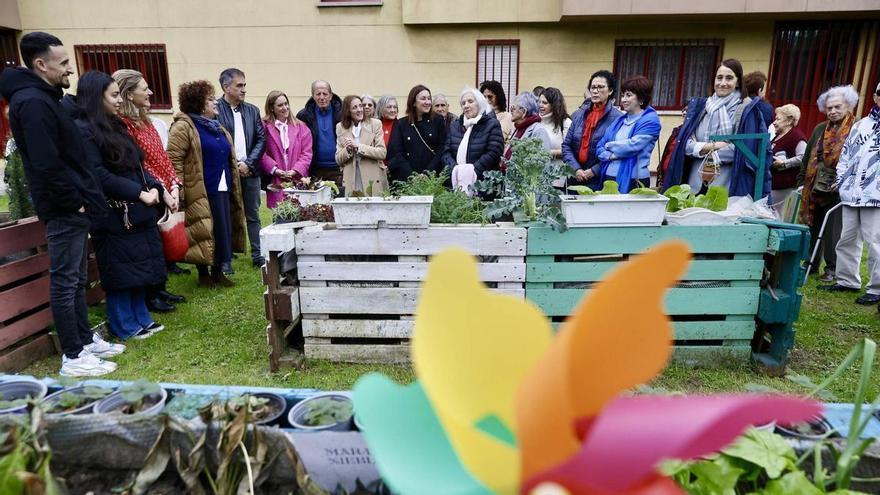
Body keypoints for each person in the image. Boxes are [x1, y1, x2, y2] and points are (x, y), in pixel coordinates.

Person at [0, 32, 122, 376]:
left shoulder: (46, 97)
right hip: (64, 207)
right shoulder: (32, 103)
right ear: (41, 64)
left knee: (78, 276)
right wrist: (76, 202)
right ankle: (73, 355)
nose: (70, 69)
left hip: (72, 204)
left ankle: (84, 340)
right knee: (66, 279)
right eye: (64, 63)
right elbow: (46, 163)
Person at [68, 71, 168, 341]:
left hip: (136, 211)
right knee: (120, 269)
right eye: (113, 95)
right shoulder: (84, 131)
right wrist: (138, 192)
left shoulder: (117, 125)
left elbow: (138, 163)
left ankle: (140, 316)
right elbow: (98, 174)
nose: (118, 100)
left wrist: (157, 187)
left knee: (139, 266)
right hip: (112, 212)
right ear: (95, 98)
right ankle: (122, 322)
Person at [112, 69, 187, 311]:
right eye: (144, 88)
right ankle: (150, 294)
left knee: (158, 244)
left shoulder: (146, 121)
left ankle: (160, 288)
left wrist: (174, 186)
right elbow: (141, 163)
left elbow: (162, 158)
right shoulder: (123, 125)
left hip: (163, 189)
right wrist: (162, 190)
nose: (150, 92)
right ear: (128, 93)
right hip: (148, 192)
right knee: (149, 244)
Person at [167, 80, 246, 288]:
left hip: (222, 186)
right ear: (200, 104)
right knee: (202, 230)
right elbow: (174, 159)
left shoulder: (216, 127)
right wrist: (180, 189)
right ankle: (203, 273)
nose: (215, 103)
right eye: (211, 99)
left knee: (221, 228)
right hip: (200, 188)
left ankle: (218, 270)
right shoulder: (183, 127)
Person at [661, 58, 772, 199]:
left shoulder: (744, 111)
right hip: (693, 188)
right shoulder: (701, 109)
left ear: (738, 82)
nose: (723, 83)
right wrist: (713, 146)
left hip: (725, 189)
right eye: (719, 77)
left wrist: (702, 150)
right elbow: (686, 145)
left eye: (729, 78)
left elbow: (742, 151)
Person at [819, 82, 880, 305]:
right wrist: (843, 181)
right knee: (847, 238)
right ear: (875, 97)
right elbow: (846, 155)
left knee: (876, 242)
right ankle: (846, 279)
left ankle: (876, 287)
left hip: (876, 196)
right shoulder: (862, 125)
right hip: (851, 192)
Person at [797, 85, 858, 282]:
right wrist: (801, 182)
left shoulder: (856, 129)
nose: (832, 111)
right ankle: (811, 262)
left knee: (834, 230)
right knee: (813, 225)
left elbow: (859, 160)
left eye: (837, 107)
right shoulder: (819, 129)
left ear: (848, 105)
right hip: (815, 185)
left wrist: (845, 182)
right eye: (829, 107)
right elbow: (807, 158)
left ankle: (832, 268)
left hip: (840, 188)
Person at [215, 68, 266, 269]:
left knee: (253, 213)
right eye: (239, 85)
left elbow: (261, 139)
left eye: (244, 85)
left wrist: (249, 163)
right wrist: (234, 165)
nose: (244, 89)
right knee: (226, 214)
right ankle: (226, 258)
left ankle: (258, 255)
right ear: (226, 87)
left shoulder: (252, 110)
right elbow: (215, 140)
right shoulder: (215, 110)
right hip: (226, 172)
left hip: (250, 171)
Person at [595, 76, 661, 192]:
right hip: (609, 177)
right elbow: (599, 147)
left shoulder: (651, 121)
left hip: (634, 180)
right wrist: (611, 156)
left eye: (628, 95)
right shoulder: (619, 121)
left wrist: (609, 146)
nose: (623, 100)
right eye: (622, 95)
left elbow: (632, 146)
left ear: (641, 99)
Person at [561, 70, 623, 189]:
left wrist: (594, 170)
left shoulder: (618, 118)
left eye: (600, 87)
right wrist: (576, 169)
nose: (595, 91)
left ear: (610, 91)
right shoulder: (579, 114)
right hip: (575, 178)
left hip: (600, 180)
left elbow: (616, 152)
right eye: (593, 87)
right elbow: (566, 146)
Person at [442, 87, 504, 194]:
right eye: (463, 103)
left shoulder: (491, 124)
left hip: (484, 185)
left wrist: (472, 171)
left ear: (479, 103)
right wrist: (456, 171)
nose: (466, 105)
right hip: (457, 182)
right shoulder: (455, 125)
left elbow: (494, 152)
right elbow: (446, 153)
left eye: (470, 101)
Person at [261, 90, 313, 208]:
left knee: (300, 214)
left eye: (286, 103)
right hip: (276, 180)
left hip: (298, 179)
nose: (285, 107)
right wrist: (275, 170)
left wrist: (295, 170)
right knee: (280, 217)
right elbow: (261, 153)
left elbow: (307, 153)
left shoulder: (301, 127)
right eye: (280, 105)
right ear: (272, 108)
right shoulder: (264, 127)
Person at [387, 84, 447, 183]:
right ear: (414, 102)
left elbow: (442, 148)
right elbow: (398, 152)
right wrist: (411, 176)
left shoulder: (438, 120)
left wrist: (428, 173)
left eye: (429, 98)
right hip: (408, 179)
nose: (427, 102)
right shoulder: (401, 124)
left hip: (432, 178)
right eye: (423, 99)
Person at [335, 95, 388, 196]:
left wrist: (359, 146)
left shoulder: (375, 124)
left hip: (372, 177)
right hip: (351, 179)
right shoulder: (340, 127)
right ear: (348, 111)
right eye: (355, 107)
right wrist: (348, 150)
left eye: (360, 106)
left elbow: (382, 153)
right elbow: (338, 159)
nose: (360, 110)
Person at [297, 80, 343, 184]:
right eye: (318, 94)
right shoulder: (303, 116)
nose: (322, 97)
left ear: (331, 96)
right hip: (315, 169)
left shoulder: (342, 113)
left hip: (339, 168)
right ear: (313, 96)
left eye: (325, 94)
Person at [769, 104, 807, 209]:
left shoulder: (796, 136)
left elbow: (804, 157)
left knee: (779, 218)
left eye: (778, 119)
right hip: (773, 185)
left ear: (789, 121)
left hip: (785, 188)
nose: (774, 122)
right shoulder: (777, 136)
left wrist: (784, 163)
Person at [503, 92, 551, 165]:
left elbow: (543, 163)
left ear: (524, 112)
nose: (511, 111)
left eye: (513, 108)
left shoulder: (539, 131)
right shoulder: (518, 128)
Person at [537, 87, 572, 164]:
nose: (540, 105)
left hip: (558, 172)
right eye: (539, 102)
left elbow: (570, 150)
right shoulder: (536, 122)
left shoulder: (565, 122)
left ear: (554, 105)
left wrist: (549, 153)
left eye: (545, 103)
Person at [658, 104, 688, 188]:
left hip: (680, 178)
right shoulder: (677, 130)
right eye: (683, 110)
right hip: (666, 175)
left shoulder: (693, 132)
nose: (684, 113)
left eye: (687, 110)